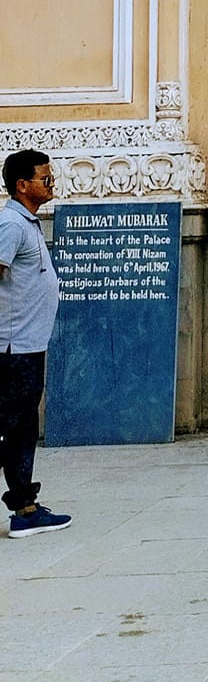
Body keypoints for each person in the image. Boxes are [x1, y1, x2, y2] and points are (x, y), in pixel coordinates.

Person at [0, 150, 70, 537]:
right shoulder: (12, 224)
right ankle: (25, 511)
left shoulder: (26, 222)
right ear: (23, 185)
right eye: (45, 179)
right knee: (16, 428)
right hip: (14, 349)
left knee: (20, 427)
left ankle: (25, 508)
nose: (51, 183)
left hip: (26, 346)